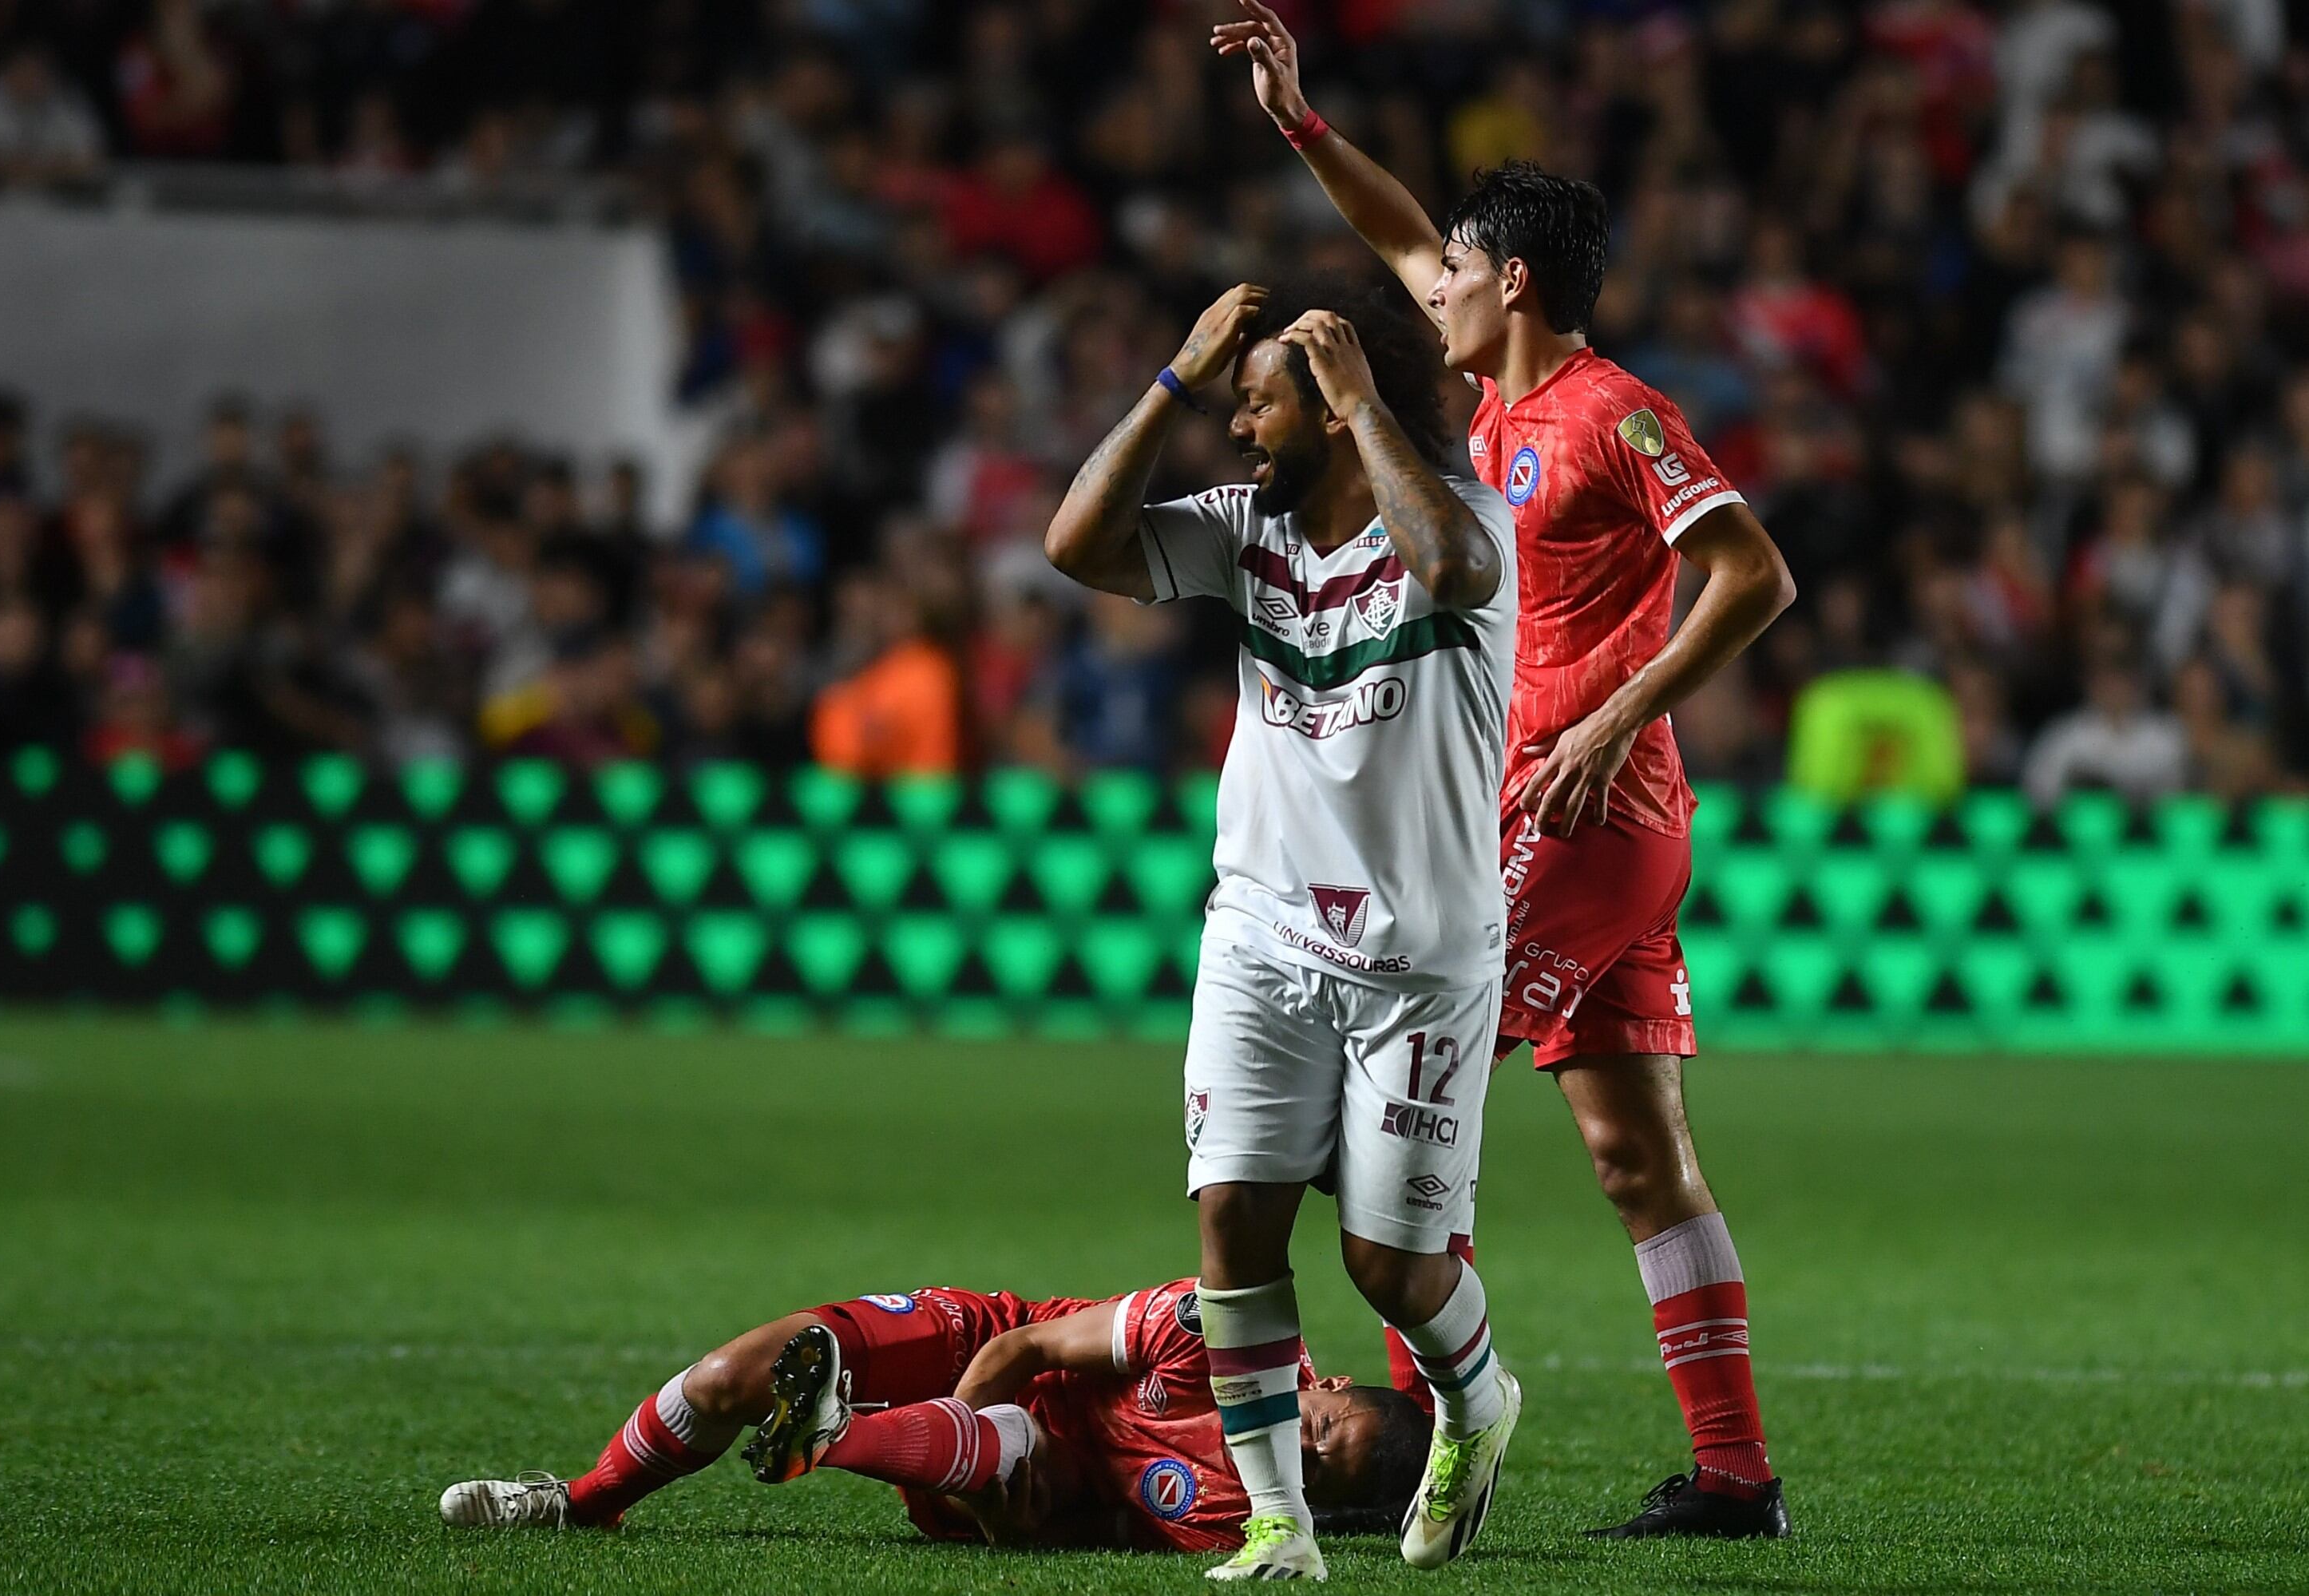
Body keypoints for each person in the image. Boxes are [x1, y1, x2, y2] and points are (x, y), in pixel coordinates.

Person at [1215, 0, 1797, 1541]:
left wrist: (1610, 717)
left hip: (1582, 806)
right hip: (1571, 811)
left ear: (1515, 282)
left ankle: (1438, 1426)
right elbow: (1400, 224)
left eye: (1459, 275)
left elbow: (1751, 574)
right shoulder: (1492, 401)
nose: (1432, 290)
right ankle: (1734, 1477)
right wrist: (1296, 117)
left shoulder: (1608, 413)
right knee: (1635, 1155)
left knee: (1379, 1120)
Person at [1044, 272, 1521, 1579]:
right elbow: (1073, 545)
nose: (1236, 428)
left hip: (1418, 962)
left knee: (1386, 1263)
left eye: (1258, 403)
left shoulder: (1462, 517)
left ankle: (1479, 1399)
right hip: (1260, 937)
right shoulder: (1233, 530)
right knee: (1232, 1226)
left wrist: (1362, 400)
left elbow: (1457, 569)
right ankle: (1277, 1523)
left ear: (1330, 401)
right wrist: (1171, 378)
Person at [438, 1277, 1428, 1554]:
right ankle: (583, 1500)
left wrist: (995, 1512)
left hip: (1008, 1472)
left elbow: (1072, 1533)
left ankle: (826, 1432)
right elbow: (1024, 1351)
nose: (1298, 1449)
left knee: (1012, 1450)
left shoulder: (1232, 1515)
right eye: (1320, 1427)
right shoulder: (1218, 1327)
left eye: (1317, 1471)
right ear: (1328, 1382)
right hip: (981, 1344)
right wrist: (940, 1425)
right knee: (721, 1382)